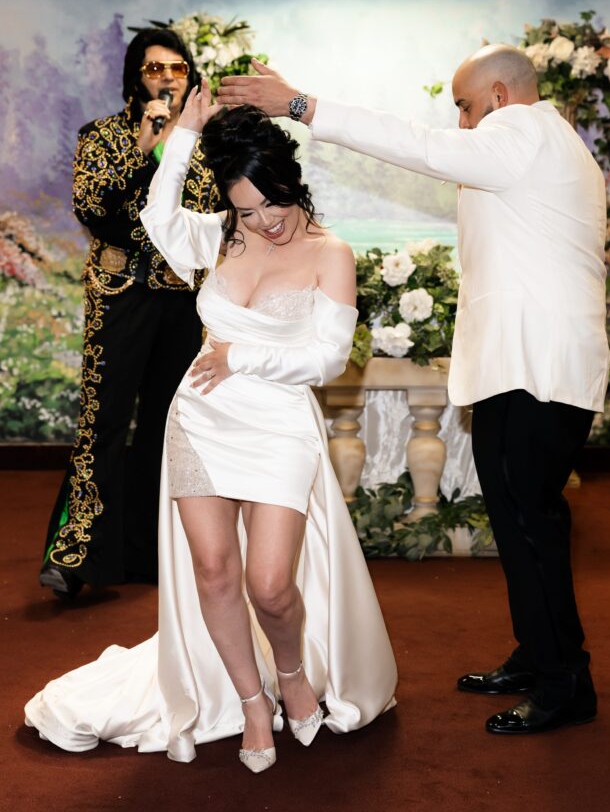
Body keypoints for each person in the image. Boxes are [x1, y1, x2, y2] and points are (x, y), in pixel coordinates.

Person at [216, 46, 610, 737]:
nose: (459, 124)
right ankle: (540, 653)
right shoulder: (542, 146)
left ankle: (564, 681)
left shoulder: (521, 131)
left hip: (536, 368)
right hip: (523, 366)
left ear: (496, 94)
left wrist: (301, 107)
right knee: (521, 522)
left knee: (530, 524)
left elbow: (422, 150)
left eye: (463, 107)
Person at [25, 82, 397, 771]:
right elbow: (157, 217)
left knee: (270, 585)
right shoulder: (219, 235)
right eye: (247, 210)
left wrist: (241, 355)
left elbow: (328, 357)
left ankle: (292, 676)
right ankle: (253, 704)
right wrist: (184, 138)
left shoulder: (330, 253)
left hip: (279, 425)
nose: (265, 223)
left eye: (274, 203)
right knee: (212, 571)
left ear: (294, 186)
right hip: (200, 419)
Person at [40, 28, 219, 598]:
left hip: (186, 304)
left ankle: (150, 550)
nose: (167, 77)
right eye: (153, 69)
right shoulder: (104, 136)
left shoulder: (208, 144)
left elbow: (213, 219)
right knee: (104, 422)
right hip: (120, 297)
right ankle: (74, 553)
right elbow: (93, 209)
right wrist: (142, 150)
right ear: (134, 78)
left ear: (190, 78)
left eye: (177, 68)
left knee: (172, 427)